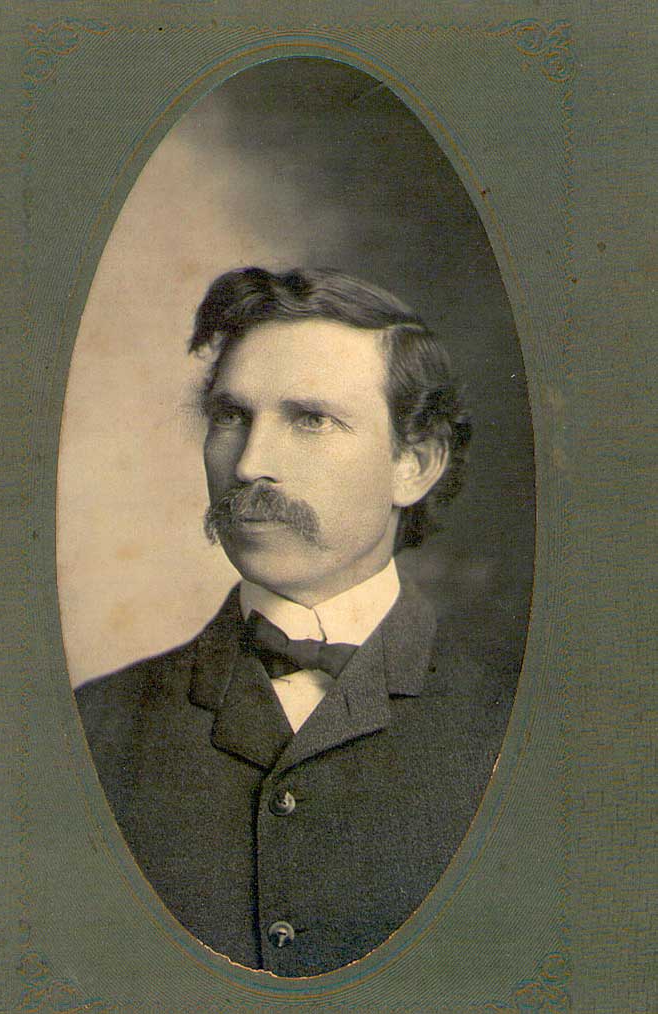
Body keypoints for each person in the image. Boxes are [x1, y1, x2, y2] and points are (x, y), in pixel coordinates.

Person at [75, 266, 514, 977]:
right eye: (231, 416)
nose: (251, 464)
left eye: (310, 419)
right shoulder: (93, 727)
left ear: (415, 464)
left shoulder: (519, 725)